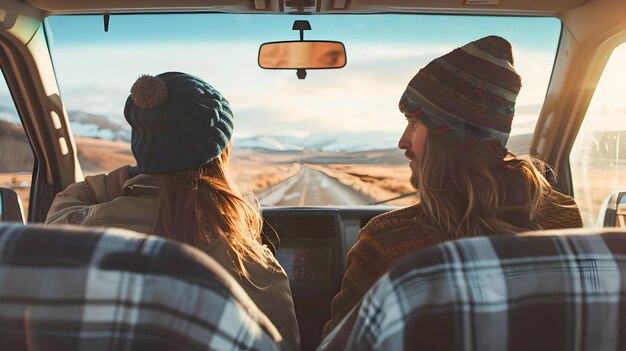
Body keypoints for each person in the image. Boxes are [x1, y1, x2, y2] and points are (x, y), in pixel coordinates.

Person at [322, 36, 583, 337]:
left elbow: (343, 343)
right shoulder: (566, 219)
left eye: (415, 123)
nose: (403, 141)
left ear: (449, 137)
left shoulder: (388, 243)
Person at [45, 72, 300, 350]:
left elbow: (67, 200)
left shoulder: (77, 235)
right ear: (219, 155)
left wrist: (133, 174)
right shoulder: (251, 267)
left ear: (141, 146)